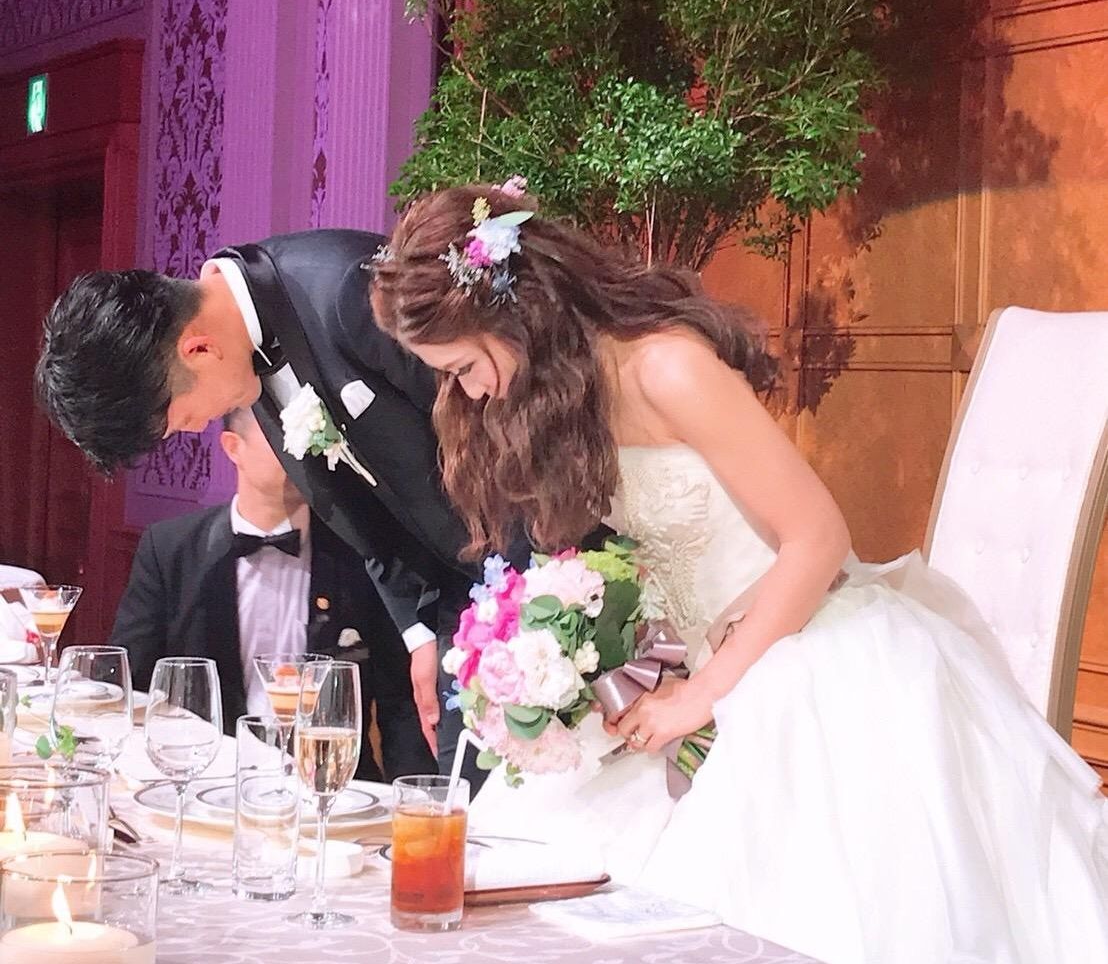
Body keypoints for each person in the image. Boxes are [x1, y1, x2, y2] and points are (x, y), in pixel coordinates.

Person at [370, 184, 1108, 964]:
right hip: (708, 667)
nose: (470, 391)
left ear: (517, 314)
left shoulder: (667, 367)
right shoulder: (577, 394)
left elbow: (817, 539)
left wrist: (704, 694)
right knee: (539, 855)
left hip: (811, 652)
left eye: (465, 366)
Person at [35, 226, 527, 775]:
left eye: (181, 417)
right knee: (472, 802)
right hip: (465, 608)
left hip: (536, 561)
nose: (196, 428)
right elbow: (368, 522)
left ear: (198, 348)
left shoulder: (345, 288)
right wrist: (418, 632)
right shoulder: (248, 366)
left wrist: (540, 588)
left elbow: (503, 428)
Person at [111, 408, 435, 782]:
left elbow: (400, 701)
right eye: (280, 436)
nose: (299, 452)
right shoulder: (172, 549)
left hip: (332, 786)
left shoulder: (360, 555)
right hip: (206, 779)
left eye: (305, 439)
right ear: (233, 448)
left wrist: (415, 795)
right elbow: (132, 683)